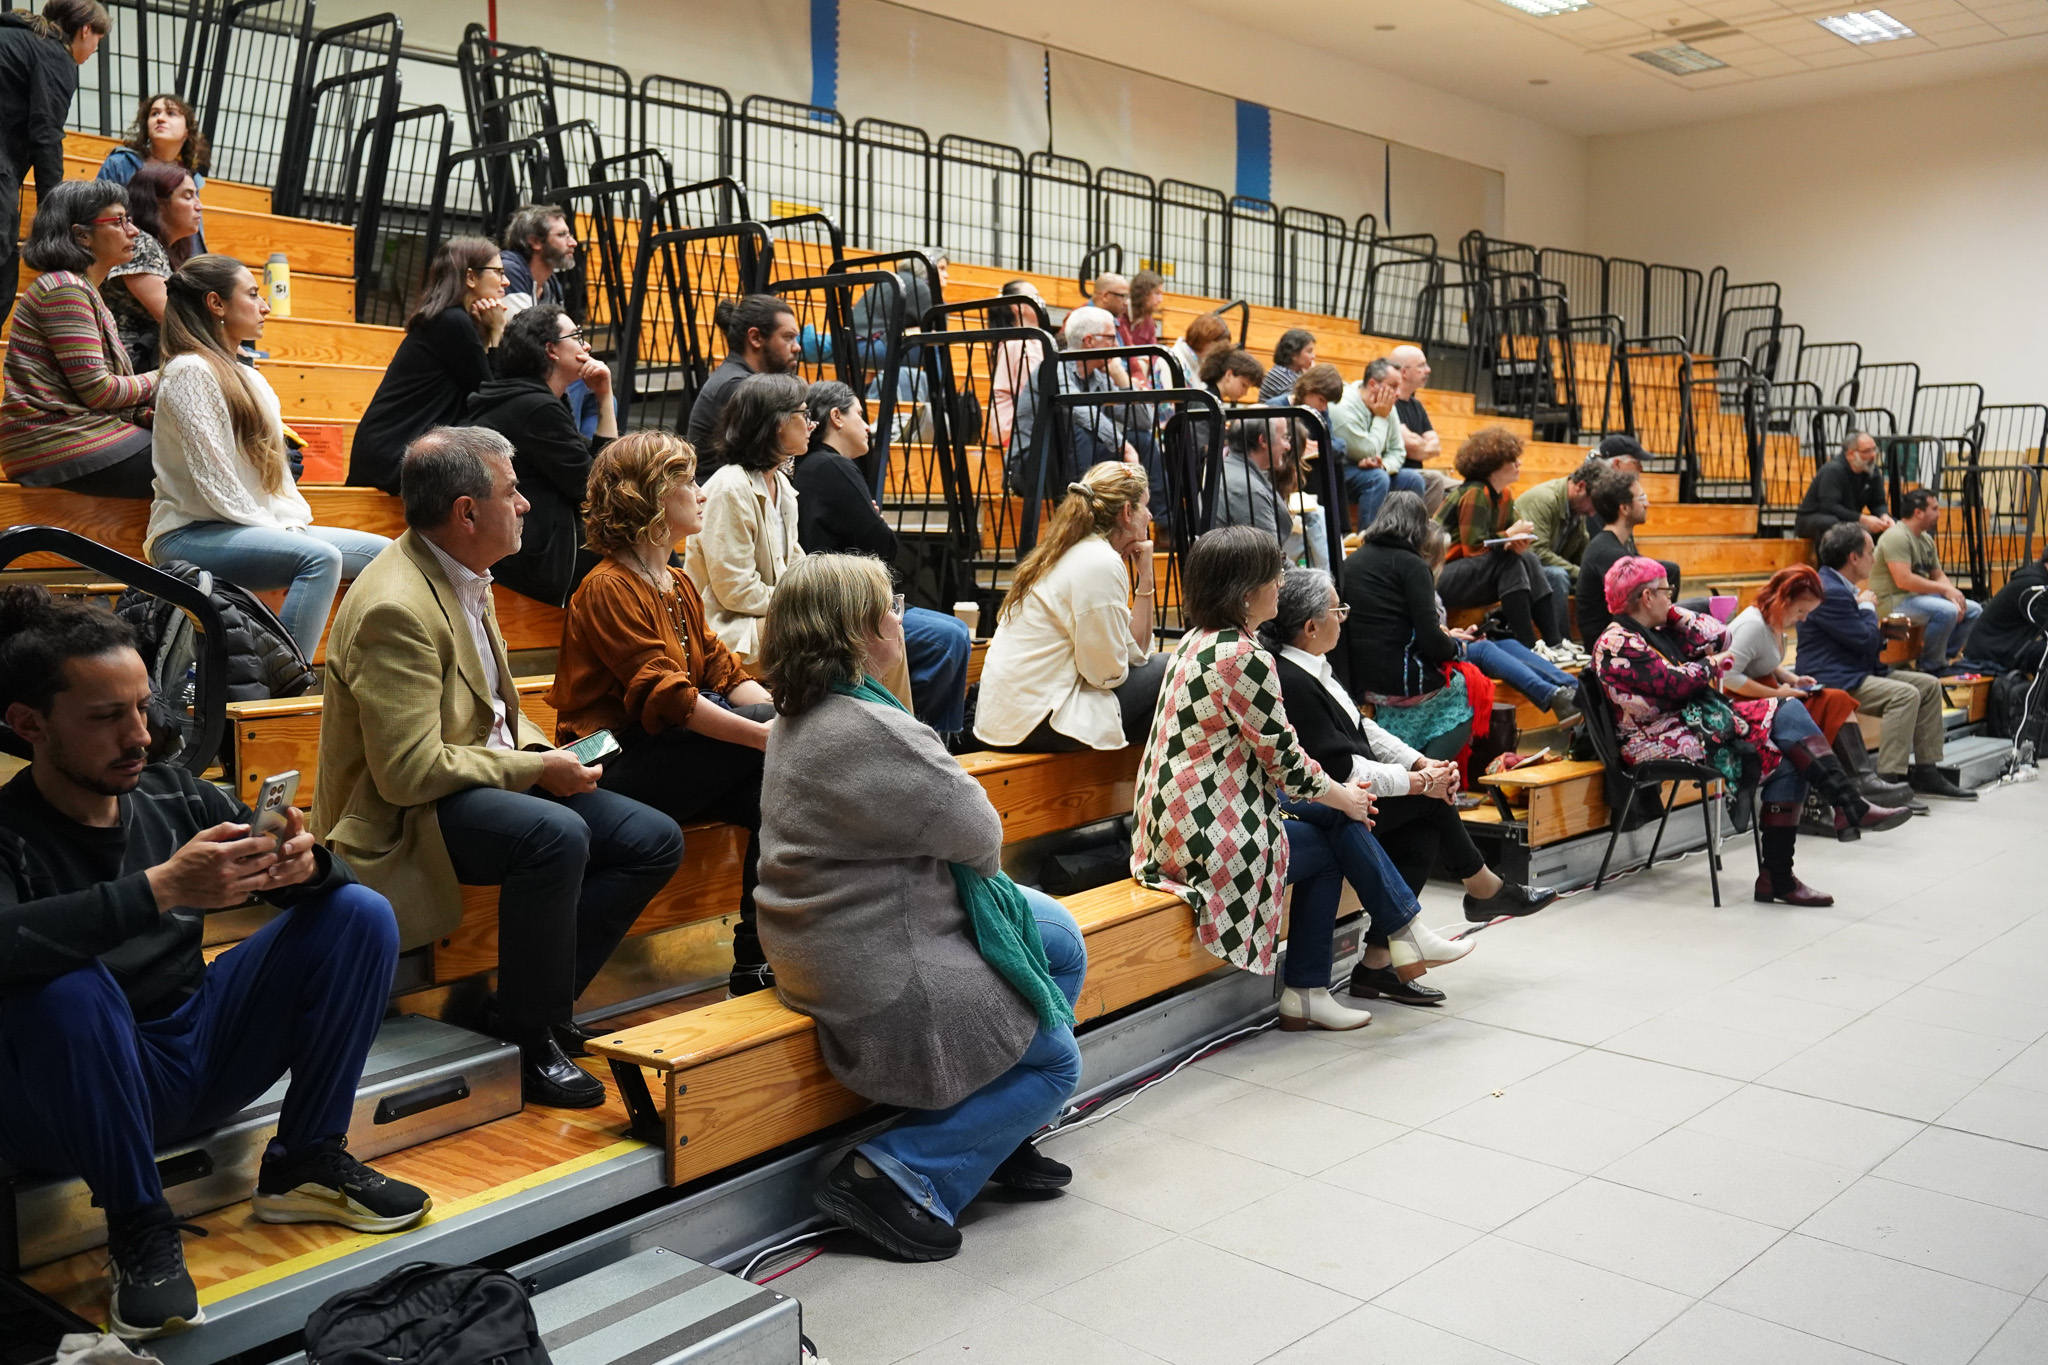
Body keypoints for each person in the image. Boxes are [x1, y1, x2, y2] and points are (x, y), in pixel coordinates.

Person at [0, 585, 427, 1341]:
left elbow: (328, 889)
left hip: (195, 1050)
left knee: (358, 911)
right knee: (65, 985)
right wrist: (160, 889)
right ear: (29, 725)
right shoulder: (10, 830)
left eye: (142, 706)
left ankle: (307, 1160)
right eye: (106, 717)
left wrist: (304, 866)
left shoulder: (173, 793)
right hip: (71, 1097)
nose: (140, 735)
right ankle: (138, 1228)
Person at [315, 428, 684, 1108]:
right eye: (512, 492)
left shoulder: (461, 573)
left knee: (653, 838)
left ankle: (538, 999)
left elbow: (491, 711)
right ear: (466, 512)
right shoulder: (395, 603)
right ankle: (528, 1032)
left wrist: (544, 750)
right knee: (555, 835)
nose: (526, 506)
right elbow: (405, 771)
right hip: (406, 810)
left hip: (471, 776)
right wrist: (533, 771)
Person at [754, 554, 1086, 1262]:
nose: (899, 622)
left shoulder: (807, 709)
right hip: (877, 957)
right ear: (857, 632)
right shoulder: (870, 727)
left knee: (1062, 940)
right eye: (888, 609)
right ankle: (894, 1169)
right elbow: (982, 837)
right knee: (1057, 1063)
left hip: (831, 931)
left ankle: (992, 1135)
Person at [1134, 527, 1471, 1031]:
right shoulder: (1244, 657)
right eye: (1275, 573)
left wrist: (1342, 800)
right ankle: (1339, 970)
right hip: (1209, 835)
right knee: (1339, 832)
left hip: (1174, 825)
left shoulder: (1197, 641)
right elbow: (1288, 763)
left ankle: (1382, 945)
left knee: (1338, 820)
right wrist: (1347, 800)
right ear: (1247, 592)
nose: (1282, 581)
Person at [551, 432, 781, 996]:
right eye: (688, 481)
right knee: (772, 758)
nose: (701, 494)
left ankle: (756, 960)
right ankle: (754, 961)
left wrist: (783, 721)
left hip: (665, 751)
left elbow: (725, 673)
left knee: (782, 789)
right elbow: (670, 696)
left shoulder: (676, 581)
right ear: (650, 495)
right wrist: (763, 736)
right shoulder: (606, 586)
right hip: (603, 756)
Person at [1265, 570, 1553, 987]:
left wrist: (1421, 764)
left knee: (1422, 833)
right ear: (1310, 627)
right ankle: (1481, 887)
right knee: (1428, 804)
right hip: (1330, 801)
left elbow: (1366, 732)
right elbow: (1345, 769)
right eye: (1337, 610)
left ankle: (1379, 963)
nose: (1343, 618)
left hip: (1350, 792)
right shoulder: (1291, 679)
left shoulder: (1314, 666)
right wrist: (1421, 784)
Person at [1590, 556, 1908, 906]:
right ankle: (1845, 807)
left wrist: (1677, 615)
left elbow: (1720, 637)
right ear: (1647, 597)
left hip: (1691, 724)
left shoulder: (1658, 631)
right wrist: (1711, 665)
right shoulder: (1617, 641)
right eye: (1667, 592)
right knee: (1788, 714)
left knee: (1789, 748)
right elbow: (1674, 684)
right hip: (1653, 740)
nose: (1672, 598)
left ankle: (1778, 875)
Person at [144, 255, 391, 656]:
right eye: (254, 294)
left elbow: (277, 479)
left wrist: (290, 528)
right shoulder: (188, 370)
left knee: (386, 555)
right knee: (320, 559)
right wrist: (281, 537)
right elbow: (215, 483)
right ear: (216, 303)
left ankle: (362, 671)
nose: (266, 307)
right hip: (189, 533)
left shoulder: (251, 376)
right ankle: (283, 688)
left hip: (254, 526)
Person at [796, 380, 971, 733]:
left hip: (832, 597)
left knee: (952, 632)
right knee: (948, 636)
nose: (867, 426)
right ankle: (930, 739)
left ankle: (931, 736)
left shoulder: (814, 466)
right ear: (836, 417)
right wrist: (875, 519)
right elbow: (883, 545)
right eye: (860, 415)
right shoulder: (834, 466)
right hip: (845, 605)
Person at [974, 463, 1166, 752]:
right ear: (1127, 512)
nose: (1150, 516)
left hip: (1010, 719)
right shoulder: (1099, 562)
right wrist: (1126, 659)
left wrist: (1146, 577)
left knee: (1158, 706)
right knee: (1174, 667)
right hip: (1036, 720)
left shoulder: (1075, 550)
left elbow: (1134, 651)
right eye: (1145, 507)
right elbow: (1106, 675)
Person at [0, 181, 159, 497]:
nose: (134, 231)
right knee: (211, 461)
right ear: (81, 235)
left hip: (70, 435)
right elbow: (99, 391)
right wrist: (166, 376)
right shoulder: (64, 289)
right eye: (118, 221)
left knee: (216, 454)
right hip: (54, 440)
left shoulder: (81, 289)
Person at [1797, 522, 1976, 802]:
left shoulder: (1843, 588)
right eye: (1870, 552)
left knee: (1928, 685)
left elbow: (1862, 639)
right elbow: (1864, 642)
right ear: (1853, 558)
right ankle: (1887, 779)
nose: (1874, 558)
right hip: (1833, 677)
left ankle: (1927, 771)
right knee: (1904, 695)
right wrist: (1868, 608)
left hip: (1856, 669)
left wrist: (1882, 631)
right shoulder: (1830, 591)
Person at [1722, 564, 1913, 813]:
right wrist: (1777, 693)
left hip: (1768, 693)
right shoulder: (1753, 625)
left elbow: (1763, 661)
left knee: (1836, 699)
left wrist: (1792, 678)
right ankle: (1855, 785)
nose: (1803, 618)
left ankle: (1861, 778)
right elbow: (1727, 676)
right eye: (1801, 610)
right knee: (1828, 702)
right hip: (1743, 703)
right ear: (1784, 600)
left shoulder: (1772, 620)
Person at [461, 303, 616, 606]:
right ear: (552, 350)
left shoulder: (524, 398)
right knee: (647, 530)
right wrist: (605, 398)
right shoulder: (535, 408)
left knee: (647, 529)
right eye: (577, 336)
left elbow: (598, 470)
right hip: (535, 555)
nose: (586, 345)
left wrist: (603, 395)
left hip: (519, 546)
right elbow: (595, 488)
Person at [347, 237, 508, 494]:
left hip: (389, 448)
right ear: (470, 277)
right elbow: (489, 399)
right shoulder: (452, 322)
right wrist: (497, 331)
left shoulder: (448, 318)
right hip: (395, 452)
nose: (505, 281)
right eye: (498, 272)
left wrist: (488, 336)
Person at [1341, 495, 1479, 758]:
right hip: (1398, 681)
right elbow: (1430, 638)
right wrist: (1455, 646)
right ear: (1418, 527)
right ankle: (1429, 781)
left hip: (1358, 681)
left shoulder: (1352, 562)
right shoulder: (1413, 565)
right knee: (1472, 689)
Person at [685, 372, 807, 665]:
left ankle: (894, 713)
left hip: (767, 623)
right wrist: (807, 604)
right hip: (728, 634)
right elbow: (737, 592)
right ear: (779, 423)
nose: (811, 423)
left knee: (877, 628)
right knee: (843, 636)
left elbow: (798, 568)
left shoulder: (782, 486)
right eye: (804, 413)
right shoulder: (730, 486)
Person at [0, 0, 106, 328]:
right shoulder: (55, 54)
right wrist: (56, 215)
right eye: (97, 43)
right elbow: (46, 134)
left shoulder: (14, 37)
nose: (92, 52)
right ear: (85, 29)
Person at [1438, 426, 1570, 656]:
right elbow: (1473, 547)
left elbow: (1509, 535)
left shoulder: (1505, 494)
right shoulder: (1475, 492)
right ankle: (1528, 647)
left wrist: (1519, 541)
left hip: (1472, 573)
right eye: (1512, 460)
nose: (1519, 464)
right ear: (1494, 466)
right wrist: (1509, 537)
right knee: (1508, 561)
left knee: (1526, 557)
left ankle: (1554, 643)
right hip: (1441, 575)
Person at [100, 160, 204, 372]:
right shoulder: (140, 243)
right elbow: (171, 315)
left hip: (148, 354)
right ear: (158, 202)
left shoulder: (166, 248)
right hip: (123, 359)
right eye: (187, 196)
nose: (199, 205)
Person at [686, 294, 801, 472]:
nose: (797, 347)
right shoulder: (736, 387)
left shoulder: (738, 380)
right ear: (755, 338)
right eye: (787, 337)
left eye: (796, 338)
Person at [1576, 465, 1688, 645]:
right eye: (1642, 498)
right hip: (1609, 643)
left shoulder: (1619, 543)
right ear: (1625, 508)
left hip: (1625, 634)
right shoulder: (1608, 553)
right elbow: (1640, 611)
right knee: (1697, 611)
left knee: (1671, 572)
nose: (1647, 504)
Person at [1874, 488, 1981, 674]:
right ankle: (1931, 666)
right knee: (1946, 611)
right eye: (1935, 509)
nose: (1939, 514)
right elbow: (1903, 580)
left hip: (1916, 598)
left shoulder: (1925, 540)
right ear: (1918, 512)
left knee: (1973, 610)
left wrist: (1954, 595)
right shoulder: (1896, 536)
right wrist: (1945, 592)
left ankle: (1945, 658)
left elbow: (1938, 575)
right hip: (1891, 601)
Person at [1327, 359, 1427, 528]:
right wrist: (1381, 417)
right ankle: (1368, 540)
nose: (1397, 393)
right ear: (1373, 384)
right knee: (1376, 479)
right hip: (1340, 473)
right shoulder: (1343, 406)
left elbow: (1398, 451)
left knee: (1413, 479)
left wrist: (1384, 466)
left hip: (1374, 472)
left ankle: (1407, 538)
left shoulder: (1387, 404)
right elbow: (1367, 451)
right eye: (1393, 386)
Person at [1513, 454, 1604, 596]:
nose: (1592, 513)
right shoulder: (1544, 500)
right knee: (1558, 576)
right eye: (1593, 504)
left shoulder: (1577, 507)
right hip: (1519, 570)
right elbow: (1536, 552)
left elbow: (1583, 553)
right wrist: (1579, 573)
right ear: (1580, 487)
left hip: (1547, 572)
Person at [96, 92, 209, 195]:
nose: (160, 118)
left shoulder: (191, 179)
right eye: (154, 113)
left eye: (171, 113)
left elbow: (194, 217)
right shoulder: (120, 163)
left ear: (187, 130)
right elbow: (99, 212)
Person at [1795, 429, 1894, 544]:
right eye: (1867, 451)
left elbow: (1878, 503)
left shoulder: (1872, 471)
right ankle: (1828, 561)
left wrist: (1884, 516)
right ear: (1851, 454)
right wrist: (1862, 519)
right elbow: (1829, 507)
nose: (1873, 455)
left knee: (1892, 525)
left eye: (1874, 449)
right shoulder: (1833, 470)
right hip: (1813, 518)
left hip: (1848, 518)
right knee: (1833, 524)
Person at [1961, 547, 2047, 676]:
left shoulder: (2037, 579)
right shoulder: (2034, 586)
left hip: (2009, 645)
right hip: (1995, 650)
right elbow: (2044, 623)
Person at [1387, 343, 1451, 509]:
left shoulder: (1417, 406)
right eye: (1421, 365)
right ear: (1404, 372)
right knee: (1435, 479)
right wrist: (1421, 444)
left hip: (1419, 473)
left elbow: (1435, 447)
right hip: (1398, 473)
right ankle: (1424, 533)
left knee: (1465, 489)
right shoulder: (1388, 402)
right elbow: (1410, 445)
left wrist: (1418, 445)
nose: (1428, 370)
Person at [988, 280, 1048, 448]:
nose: (1042, 301)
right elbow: (1039, 387)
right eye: (1035, 296)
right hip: (1015, 430)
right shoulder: (1016, 344)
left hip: (1026, 425)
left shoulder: (1028, 341)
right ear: (1018, 306)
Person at [499, 203, 574, 313]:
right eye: (562, 235)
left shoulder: (550, 283)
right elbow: (520, 329)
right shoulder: (510, 272)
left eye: (569, 235)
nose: (573, 243)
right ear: (536, 242)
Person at [1167, 311, 1230, 388]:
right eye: (1217, 348)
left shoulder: (1199, 364)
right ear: (1205, 340)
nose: (1218, 353)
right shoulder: (1172, 361)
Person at [1259, 328, 1316, 402]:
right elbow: (1299, 403)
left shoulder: (1296, 373)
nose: (1313, 356)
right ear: (1293, 354)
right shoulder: (1280, 374)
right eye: (1309, 351)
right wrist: (1311, 377)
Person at [1196, 345, 1264, 402]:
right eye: (1243, 385)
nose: (1245, 393)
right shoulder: (1207, 401)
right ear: (1228, 375)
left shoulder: (1211, 398)